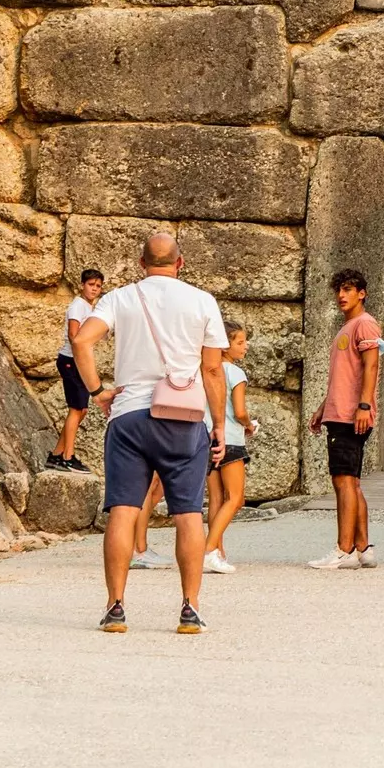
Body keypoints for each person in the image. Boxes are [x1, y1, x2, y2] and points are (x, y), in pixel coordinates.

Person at [69, 231, 228, 635]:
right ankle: (190, 609)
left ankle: (115, 608)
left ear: (142, 263)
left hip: (129, 415)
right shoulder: (202, 301)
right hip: (184, 419)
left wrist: (97, 391)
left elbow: (81, 341)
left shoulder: (119, 298)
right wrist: (220, 425)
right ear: (181, 263)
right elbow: (212, 370)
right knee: (190, 515)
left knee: (123, 511)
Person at [308, 268, 381, 570]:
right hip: (340, 412)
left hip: (352, 414)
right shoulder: (349, 326)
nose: (341, 295)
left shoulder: (364, 324)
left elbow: (371, 365)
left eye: (348, 289)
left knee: (343, 482)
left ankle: (343, 549)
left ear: (361, 293)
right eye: (339, 289)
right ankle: (363, 548)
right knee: (351, 482)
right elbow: (344, 376)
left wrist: (364, 405)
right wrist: (323, 408)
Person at [202, 320, 257, 575]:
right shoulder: (236, 373)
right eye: (240, 342)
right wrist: (249, 424)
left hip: (208, 436)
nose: (245, 347)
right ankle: (209, 549)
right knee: (235, 498)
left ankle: (217, 553)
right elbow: (240, 411)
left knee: (215, 499)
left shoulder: (207, 369)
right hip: (231, 439)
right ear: (225, 346)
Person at [49, 269, 103, 472]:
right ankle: (67, 457)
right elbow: (74, 335)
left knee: (82, 410)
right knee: (76, 410)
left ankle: (56, 455)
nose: (94, 289)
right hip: (72, 361)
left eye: (98, 286)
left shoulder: (89, 308)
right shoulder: (78, 306)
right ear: (82, 285)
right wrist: (82, 360)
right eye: (91, 285)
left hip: (78, 362)